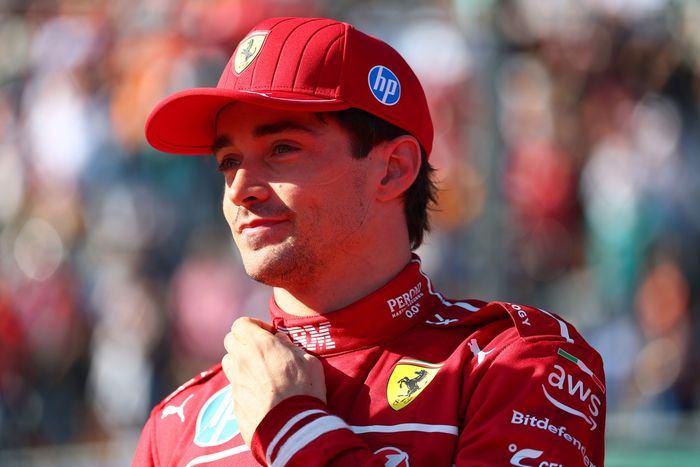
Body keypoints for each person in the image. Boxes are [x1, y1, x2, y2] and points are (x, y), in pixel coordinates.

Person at [133, 16, 606, 467]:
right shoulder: (177, 425)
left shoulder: (521, 364)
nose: (239, 188)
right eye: (229, 162)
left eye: (282, 149)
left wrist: (292, 429)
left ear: (393, 169)